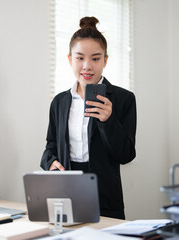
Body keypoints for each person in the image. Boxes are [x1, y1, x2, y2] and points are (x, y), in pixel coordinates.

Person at [40, 16, 137, 220]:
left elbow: (126, 155)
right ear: (69, 59)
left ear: (105, 60)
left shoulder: (123, 99)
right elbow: (51, 145)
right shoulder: (59, 102)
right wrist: (50, 161)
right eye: (79, 57)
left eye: (95, 58)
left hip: (106, 198)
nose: (87, 66)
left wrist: (108, 121)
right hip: (66, 194)